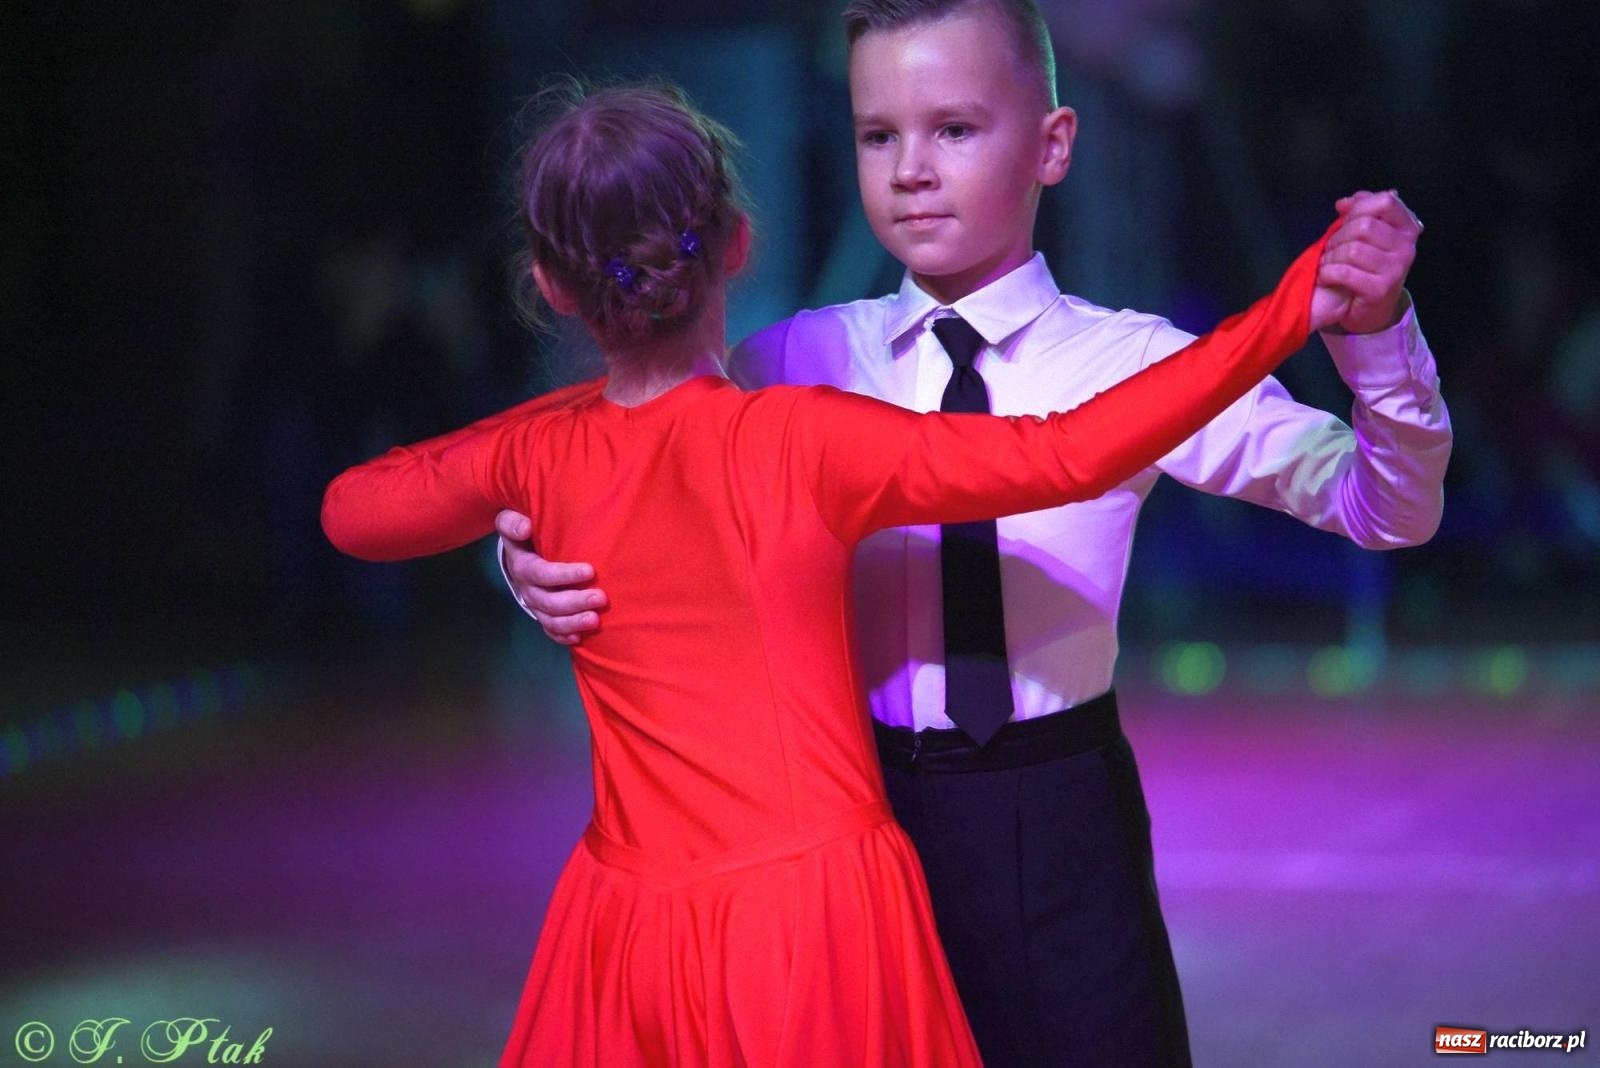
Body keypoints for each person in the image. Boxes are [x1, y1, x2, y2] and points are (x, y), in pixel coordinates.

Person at [323, 79, 1352, 1066]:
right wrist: (1286, 311)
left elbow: (354, 510)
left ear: (548, 286)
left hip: (625, 927)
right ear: (735, 242)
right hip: (811, 924)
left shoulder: (540, 456)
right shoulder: (803, 442)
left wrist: (544, 462)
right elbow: (1063, 453)